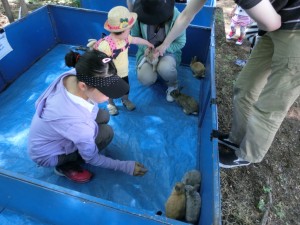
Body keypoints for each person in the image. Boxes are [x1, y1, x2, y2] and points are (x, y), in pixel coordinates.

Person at [28, 50, 148, 183]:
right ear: (83, 86)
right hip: (48, 154)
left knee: (104, 115)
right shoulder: (77, 123)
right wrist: (125, 166)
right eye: (106, 91)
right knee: (107, 132)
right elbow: (92, 158)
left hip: (57, 131)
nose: (110, 96)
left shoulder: (75, 75)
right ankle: (64, 165)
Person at [155, 0, 281, 56]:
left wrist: (252, 31)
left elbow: (272, 24)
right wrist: (165, 44)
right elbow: (186, 15)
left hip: (287, 28)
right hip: (271, 21)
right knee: (244, 93)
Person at [93, 6, 154, 115]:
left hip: (123, 72)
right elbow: (98, 60)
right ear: (122, 31)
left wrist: (147, 43)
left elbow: (135, 39)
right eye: (129, 28)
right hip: (109, 74)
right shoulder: (105, 45)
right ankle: (111, 103)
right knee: (109, 90)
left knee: (126, 88)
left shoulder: (126, 38)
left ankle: (125, 99)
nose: (130, 30)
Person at [131, 0, 186, 102]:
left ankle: (173, 85)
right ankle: (155, 74)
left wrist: (164, 49)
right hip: (147, 53)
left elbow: (181, 42)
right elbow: (134, 37)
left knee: (165, 68)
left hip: (168, 52)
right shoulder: (137, 16)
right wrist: (145, 48)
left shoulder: (176, 16)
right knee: (145, 77)